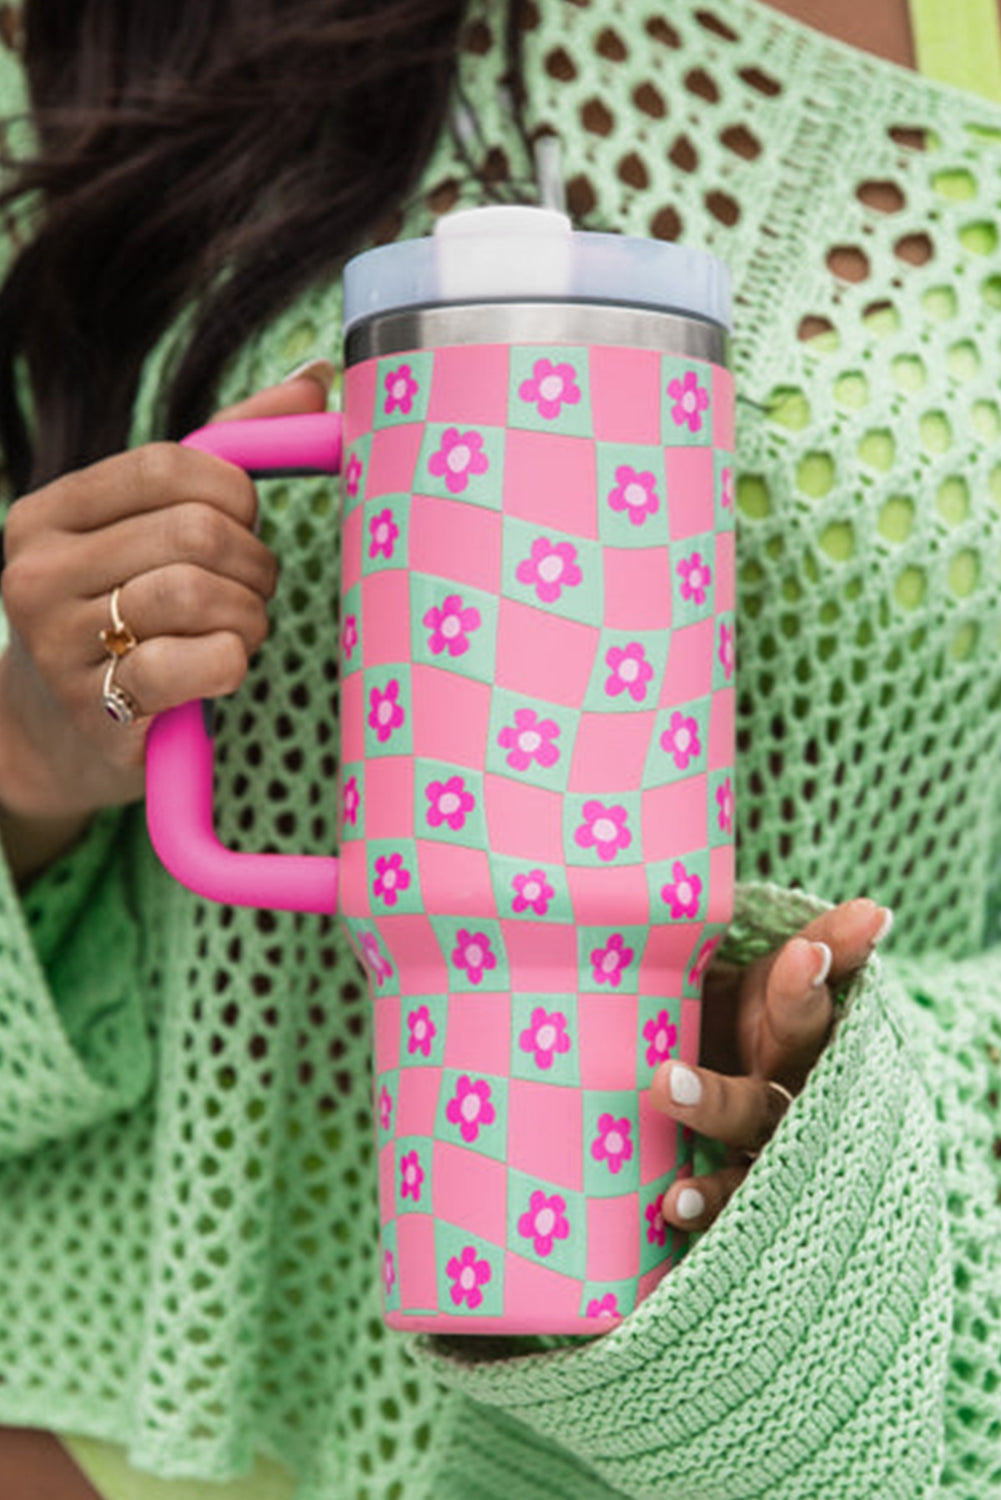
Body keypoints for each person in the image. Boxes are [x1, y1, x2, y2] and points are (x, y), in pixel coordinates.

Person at [0, 0, 998, 1496]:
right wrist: (24, 751)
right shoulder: (124, 36)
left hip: (714, 1440)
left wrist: (856, 1135)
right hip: (109, 1424)